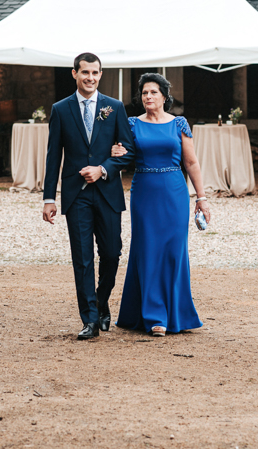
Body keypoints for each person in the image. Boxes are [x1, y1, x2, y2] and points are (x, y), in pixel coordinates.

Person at [42, 53, 135, 340]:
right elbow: (53, 156)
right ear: (74, 74)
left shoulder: (114, 107)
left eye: (95, 73)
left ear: (100, 74)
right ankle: (90, 320)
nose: (90, 78)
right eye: (85, 73)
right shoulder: (61, 109)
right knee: (82, 258)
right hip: (76, 195)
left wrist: (104, 169)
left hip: (107, 192)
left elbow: (129, 151)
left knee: (112, 253)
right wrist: (49, 198)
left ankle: (101, 299)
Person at [111, 73, 211, 337]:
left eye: (153, 92)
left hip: (175, 194)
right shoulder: (132, 124)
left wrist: (201, 198)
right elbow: (123, 156)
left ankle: (177, 313)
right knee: (148, 250)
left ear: (165, 96)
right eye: (144, 93)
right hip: (144, 193)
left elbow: (191, 163)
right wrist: (115, 152)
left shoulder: (179, 123)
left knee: (173, 252)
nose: (148, 97)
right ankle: (154, 315)